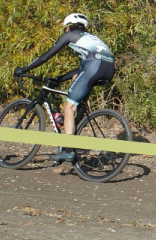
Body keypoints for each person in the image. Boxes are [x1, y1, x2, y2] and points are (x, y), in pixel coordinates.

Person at [15, 14, 115, 163]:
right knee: (76, 84)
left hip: (94, 67)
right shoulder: (91, 38)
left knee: (69, 107)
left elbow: (45, 57)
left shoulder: (70, 35)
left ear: (69, 26)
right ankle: (73, 131)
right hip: (108, 69)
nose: (65, 30)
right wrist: (59, 79)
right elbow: (81, 69)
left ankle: (68, 151)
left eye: (65, 28)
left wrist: (24, 69)